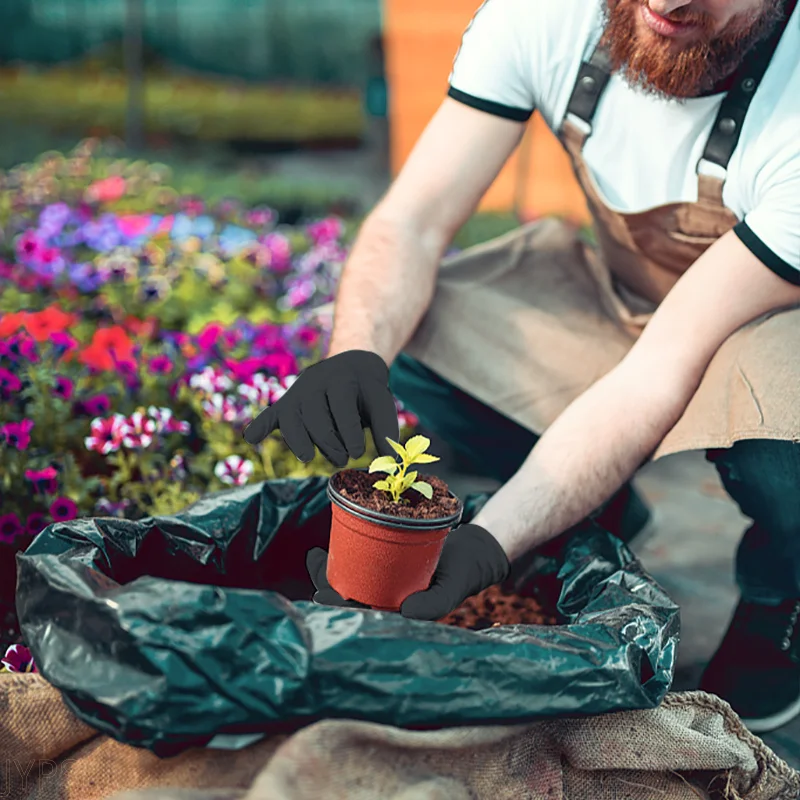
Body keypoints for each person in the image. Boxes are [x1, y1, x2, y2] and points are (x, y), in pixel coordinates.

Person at [244, 0, 800, 733]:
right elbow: (413, 219)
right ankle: (588, 513)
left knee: (783, 453)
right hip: (619, 296)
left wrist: (488, 543)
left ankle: (780, 608)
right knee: (405, 328)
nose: (667, 2)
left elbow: (660, 369)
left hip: (766, 324)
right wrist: (355, 356)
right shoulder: (546, 14)